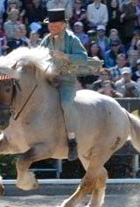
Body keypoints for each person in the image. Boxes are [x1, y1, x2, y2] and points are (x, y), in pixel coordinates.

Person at [40, 9, 88, 161]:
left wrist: (66, 56)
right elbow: (37, 55)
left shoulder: (72, 39)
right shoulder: (46, 40)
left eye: (55, 25)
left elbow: (83, 58)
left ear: (63, 25)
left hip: (66, 80)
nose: (51, 27)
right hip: (48, 78)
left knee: (66, 104)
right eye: (50, 25)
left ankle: (72, 140)